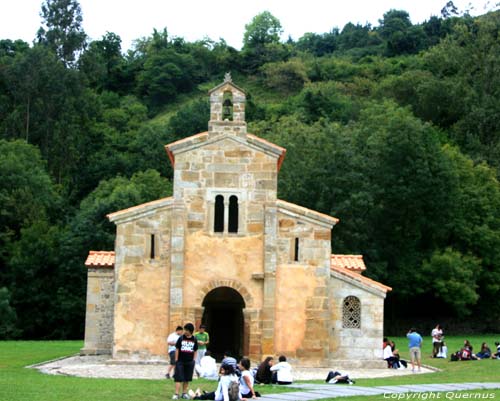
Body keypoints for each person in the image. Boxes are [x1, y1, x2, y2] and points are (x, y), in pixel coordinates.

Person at [173, 323, 198, 400]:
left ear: (190, 331)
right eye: (184, 330)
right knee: (178, 378)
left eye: (186, 330)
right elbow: (177, 349)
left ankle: (184, 393)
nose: (185, 331)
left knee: (187, 378)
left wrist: (194, 360)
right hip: (180, 361)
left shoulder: (194, 339)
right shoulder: (181, 338)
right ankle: (176, 394)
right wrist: (176, 359)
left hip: (190, 362)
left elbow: (195, 350)